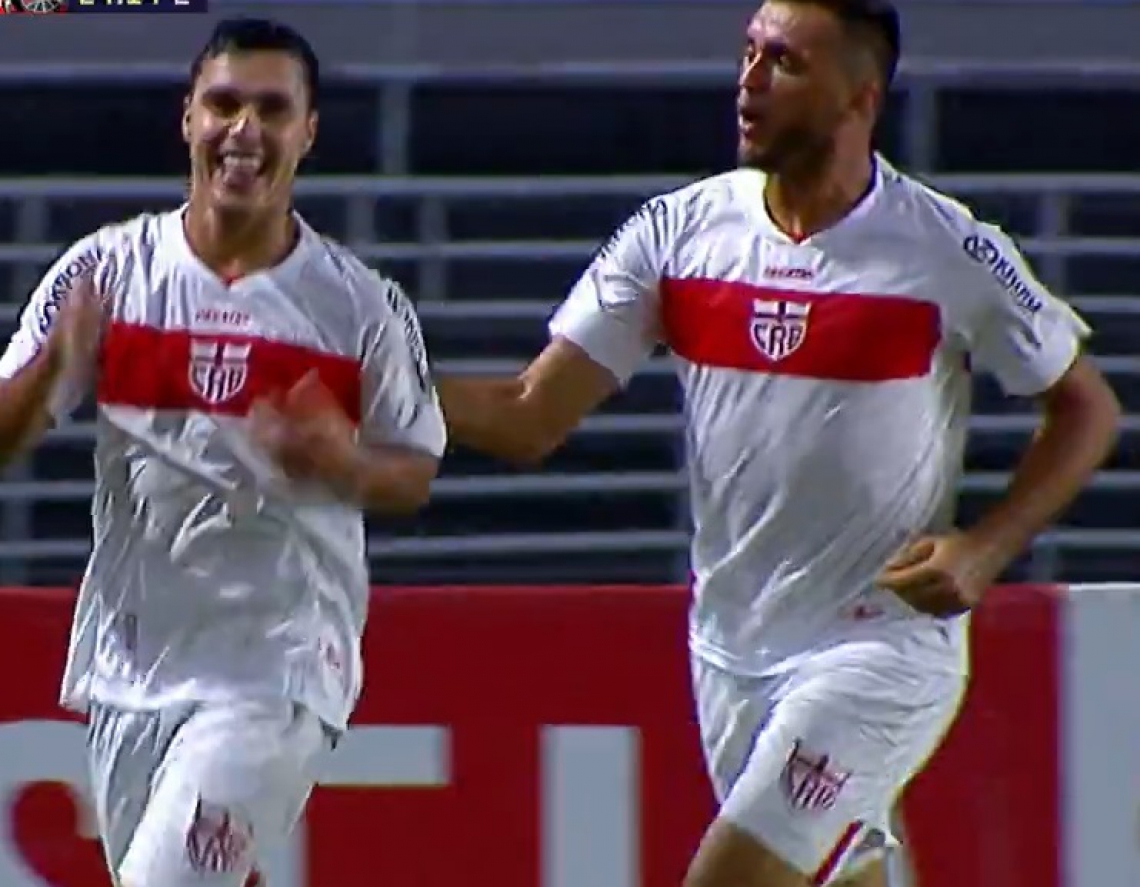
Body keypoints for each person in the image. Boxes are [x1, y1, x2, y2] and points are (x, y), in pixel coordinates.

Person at [437, 0, 1120, 885]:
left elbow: (1086, 408)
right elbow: (531, 413)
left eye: (786, 63)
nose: (750, 82)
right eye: (750, 54)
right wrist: (370, 386)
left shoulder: (944, 248)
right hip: (731, 650)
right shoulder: (679, 233)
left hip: (878, 648)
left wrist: (986, 548)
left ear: (860, 99)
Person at [0, 17, 445, 887]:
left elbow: (414, 471)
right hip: (133, 668)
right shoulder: (107, 272)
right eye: (224, 104)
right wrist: (53, 366)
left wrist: (343, 464)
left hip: (277, 671)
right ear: (189, 118)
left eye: (272, 109)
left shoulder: (359, 306)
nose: (245, 130)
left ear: (307, 131)